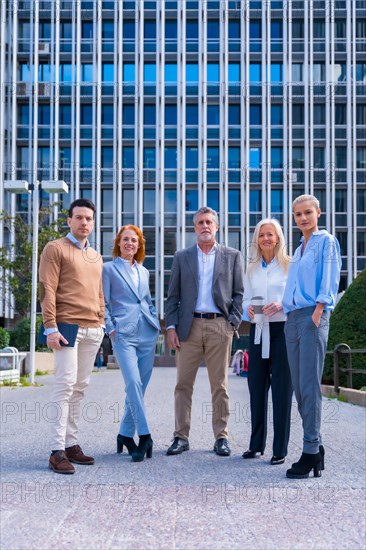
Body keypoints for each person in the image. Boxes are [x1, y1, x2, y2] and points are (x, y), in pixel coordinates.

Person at [165, 206, 244, 456]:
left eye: (209, 222)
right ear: (194, 227)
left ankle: (221, 437)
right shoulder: (182, 256)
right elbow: (173, 296)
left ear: (217, 226)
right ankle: (181, 436)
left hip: (219, 326)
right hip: (189, 327)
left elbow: (239, 294)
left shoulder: (232, 256)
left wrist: (232, 323)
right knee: (183, 385)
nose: (205, 226)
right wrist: (171, 327)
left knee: (219, 385)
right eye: (200, 222)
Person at [39, 198, 105, 474]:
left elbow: (99, 292)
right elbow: (47, 288)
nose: (84, 222)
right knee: (64, 386)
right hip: (67, 328)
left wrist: (101, 319)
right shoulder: (55, 248)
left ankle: (71, 444)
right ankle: (56, 450)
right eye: (79, 217)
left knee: (79, 389)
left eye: (88, 218)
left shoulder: (96, 256)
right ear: (69, 220)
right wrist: (50, 326)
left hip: (92, 329)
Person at [283, 194, 341, 479]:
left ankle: (309, 451)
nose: (302, 218)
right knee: (299, 386)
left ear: (318, 213)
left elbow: (330, 278)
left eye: (307, 213)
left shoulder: (325, 242)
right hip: (292, 319)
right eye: (297, 215)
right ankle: (315, 447)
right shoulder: (298, 249)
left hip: (312, 316)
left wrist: (319, 310)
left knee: (309, 386)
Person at [102, 225, 160, 462]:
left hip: (147, 331)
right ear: (118, 242)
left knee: (140, 387)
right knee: (133, 383)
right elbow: (102, 303)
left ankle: (125, 435)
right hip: (123, 334)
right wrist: (111, 328)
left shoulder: (144, 271)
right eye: (126, 239)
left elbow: (146, 300)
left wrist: (155, 319)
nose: (130, 244)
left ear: (139, 245)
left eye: (134, 241)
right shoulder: (108, 269)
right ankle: (145, 436)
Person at [241, 219, 293, 465]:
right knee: (256, 389)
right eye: (262, 235)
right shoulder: (251, 267)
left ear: (278, 237)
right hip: (258, 330)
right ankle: (256, 445)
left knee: (282, 391)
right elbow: (244, 299)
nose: (266, 239)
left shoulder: (290, 265)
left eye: (270, 234)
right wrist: (247, 309)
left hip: (283, 331)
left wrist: (283, 304)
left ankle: (280, 449)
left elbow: (296, 296)